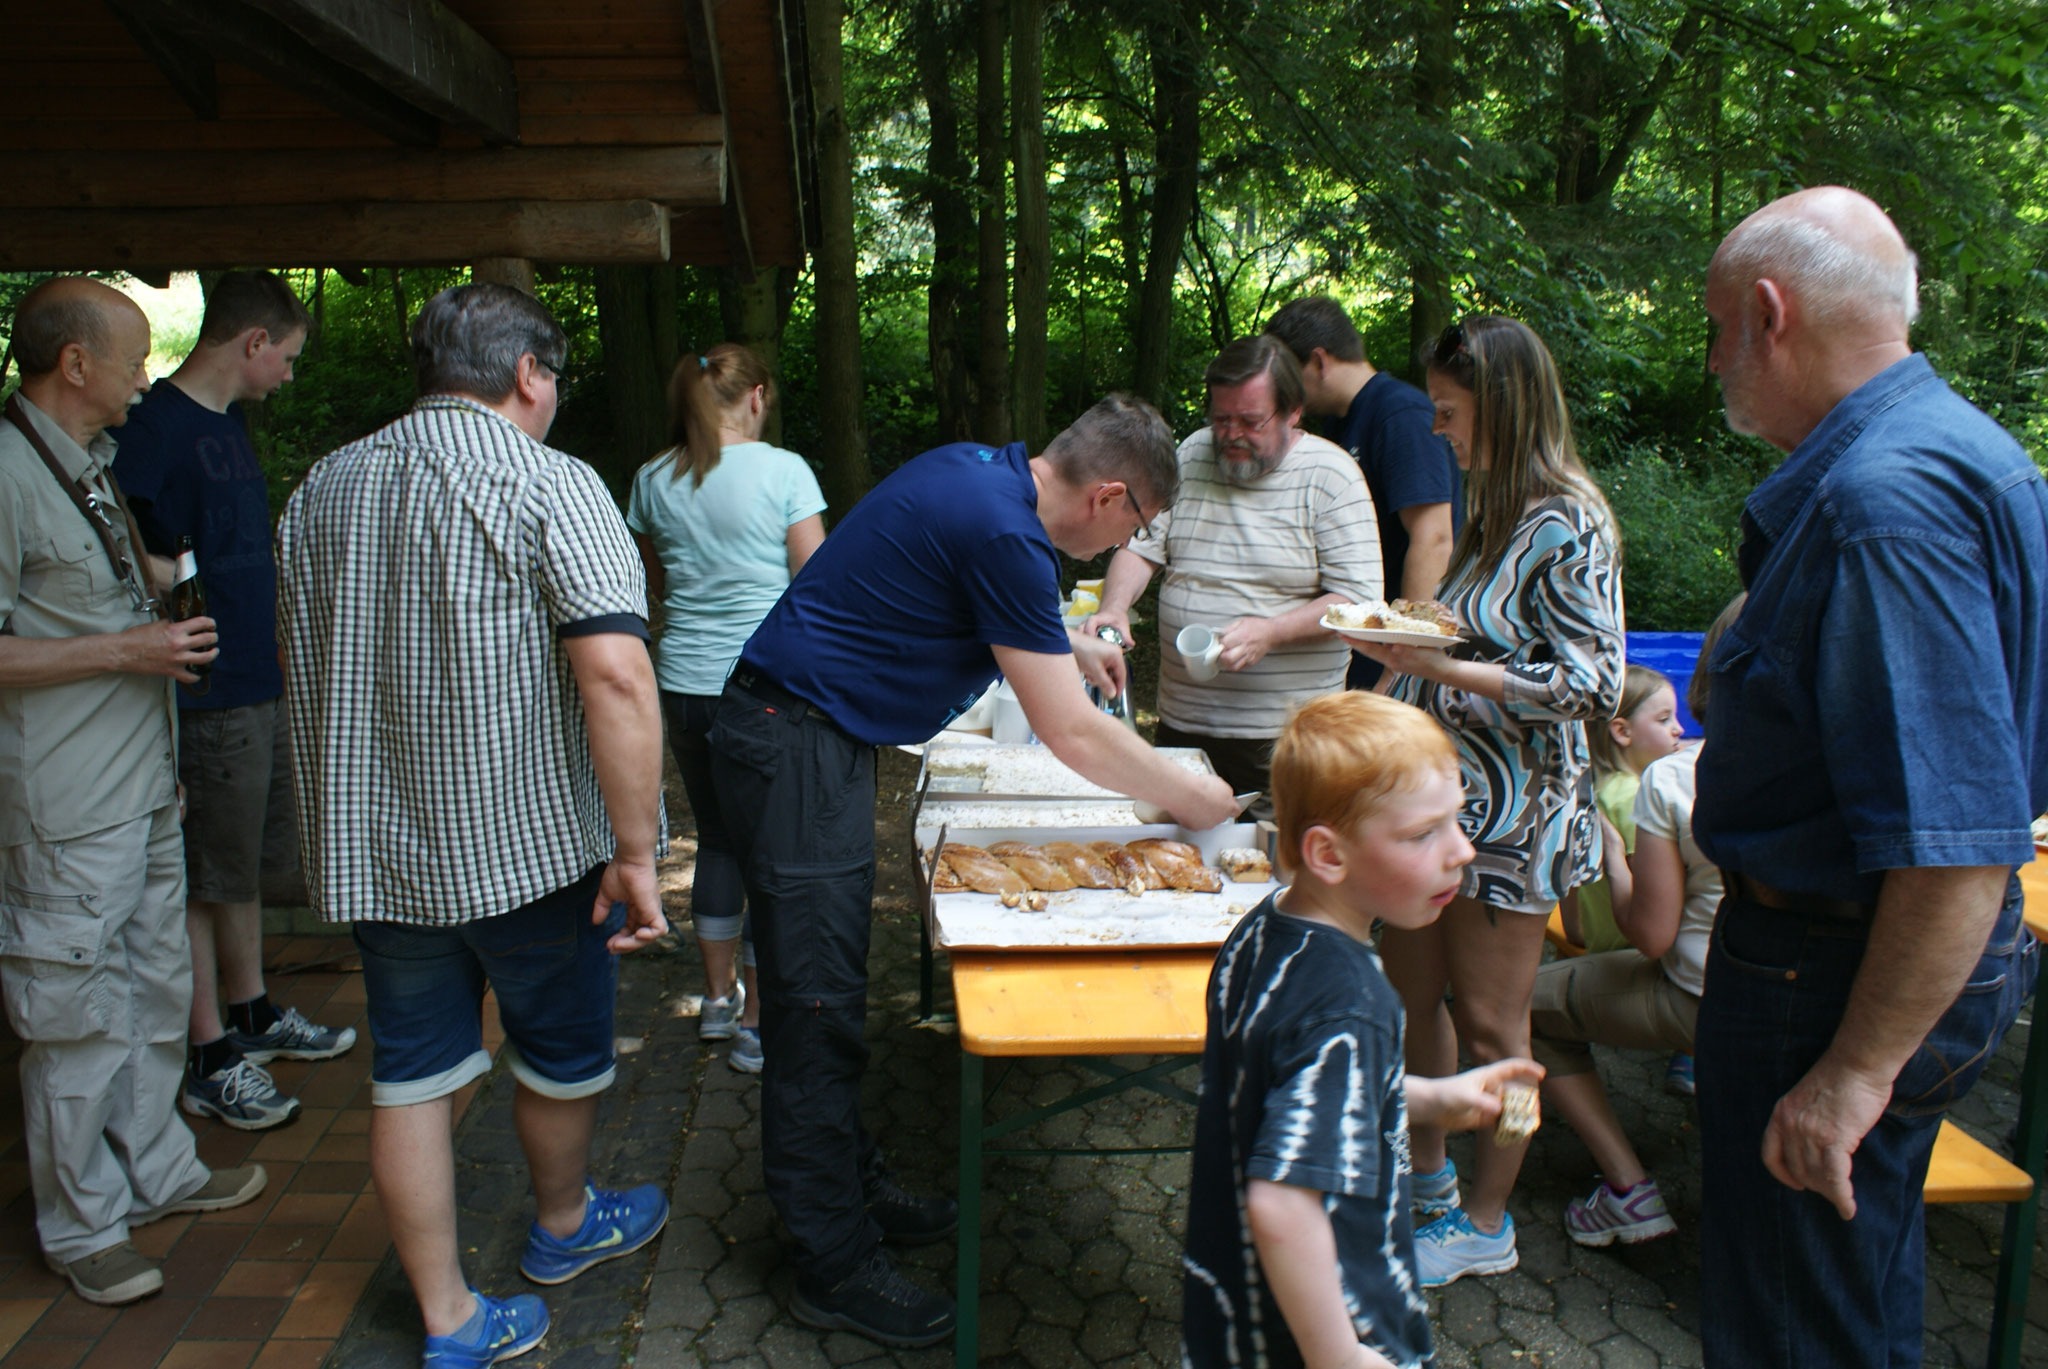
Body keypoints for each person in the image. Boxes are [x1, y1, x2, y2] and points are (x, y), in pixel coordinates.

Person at [708, 394, 1240, 1349]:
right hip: (795, 744)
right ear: (1109, 495)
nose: (1128, 543)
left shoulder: (979, 473)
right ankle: (831, 1261)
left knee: (826, 991)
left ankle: (852, 1187)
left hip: (799, 734)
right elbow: (1075, 733)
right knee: (816, 1006)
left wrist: (1067, 640)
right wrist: (1190, 794)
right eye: (1135, 525)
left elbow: (966, 599)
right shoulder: (1006, 531)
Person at [277, 283, 672, 1367]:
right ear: (528, 373)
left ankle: (449, 1318)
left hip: (376, 850)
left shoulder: (323, 486)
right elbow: (616, 674)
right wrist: (637, 851)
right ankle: (562, 1226)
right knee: (559, 1050)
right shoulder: (550, 481)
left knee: (412, 1075)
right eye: (556, 378)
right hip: (531, 851)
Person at [1691, 186, 2047, 1366]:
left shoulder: (1880, 506)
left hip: (1831, 975)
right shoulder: (1963, 452)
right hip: (1875, 962)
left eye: (1715, 331)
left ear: (1768, 314)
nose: (1713, 362)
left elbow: (1956, 845)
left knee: (1796, 1329)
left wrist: (1848, 1076)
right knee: (1850, 1295)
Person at [0, 277, 266, 1307]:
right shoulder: (8, 471)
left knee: (152, 989)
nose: (146, 378)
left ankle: (158, 1170)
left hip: (143, 788)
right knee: (73, 1023)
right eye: (133, 357)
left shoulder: (91, 462)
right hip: (64, 810)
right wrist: (129, 648)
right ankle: (83, 1225)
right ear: (75, 363)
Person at [1348, 315, 1624, 1288]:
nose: (1437, 429)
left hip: (1516, 822)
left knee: (1499, 1034)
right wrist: (1408, 643)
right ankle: (1428, 1181)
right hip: (1443, 813)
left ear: (1501, 406)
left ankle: (1486, 1220)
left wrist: (1452, 670)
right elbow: (1480, 630)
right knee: (1407, 996)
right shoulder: (1494, 505)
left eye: (1449, 411)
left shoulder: (1568, 517)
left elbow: (1592, 682)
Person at [1180, 690, 1543, 1369]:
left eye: (1458, 819)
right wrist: (1338, 1354)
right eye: (1422, 834)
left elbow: (1293, 1087)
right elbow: (1283, 1202)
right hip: (1320, 1327)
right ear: (1329, 853)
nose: (1462, 850)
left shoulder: (1262, 932)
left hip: (1233, 1308)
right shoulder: (1350, 1001)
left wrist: (1429, 1099)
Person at [110, 270, 355, 1133]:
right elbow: (119, 543)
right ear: (253, 343)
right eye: (286, 358)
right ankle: (208, 1051)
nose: (287, 374)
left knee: (239, 864)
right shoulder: (152, 427)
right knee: (200, 875)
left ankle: (250, 1011)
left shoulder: (227, 421)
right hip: (205, 689)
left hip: (256, 673)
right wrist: (178, 597)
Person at [625, 344, 826, 1076]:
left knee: (717, 840)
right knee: (770, 850)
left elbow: (656, 579)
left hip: (683, 685)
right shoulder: (785, 471)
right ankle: (755, 1024)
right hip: (763, 688)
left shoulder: (653, 477)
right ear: (757, 396)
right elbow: (815, 583)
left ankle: (715, 1001)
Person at [1087, 336, 1380, 808]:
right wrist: (1115, 608)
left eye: (1250, 421)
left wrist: (1272, 633)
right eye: (1221, 419)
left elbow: (1357, 600)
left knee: (1273, 852)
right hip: (1182, 727)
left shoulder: (1333, 476)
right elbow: (1142, 546)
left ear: (1293, 412)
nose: (1231, 435)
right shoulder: (1192, 454)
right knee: (1173, 849)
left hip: (1287, 739)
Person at [1528, 598, 1739, 1250]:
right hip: (1833, 1012)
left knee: (1520, 1007)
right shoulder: (1877, 774)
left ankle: (1628, 1189)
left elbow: (1650, 936)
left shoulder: (1675, 778)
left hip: (1709, 997)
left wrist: (1616, 858)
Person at [1263, 297, 1460, 690]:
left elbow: (1434, 538)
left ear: (1318, 361)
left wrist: (1401, 670)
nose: (1280, 391)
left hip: (1392, 662)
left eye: (1286, 376)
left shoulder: (1400, 415)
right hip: (1357, 648)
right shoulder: (1338, 423)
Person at [1559, 664, 1683, 957]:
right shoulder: (1632, 797)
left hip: (1602, 943)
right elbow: (1652, 897)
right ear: (1622, 731)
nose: (1679, 729)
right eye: (1664, 719)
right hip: (1635, 949)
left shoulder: (1596, 789)